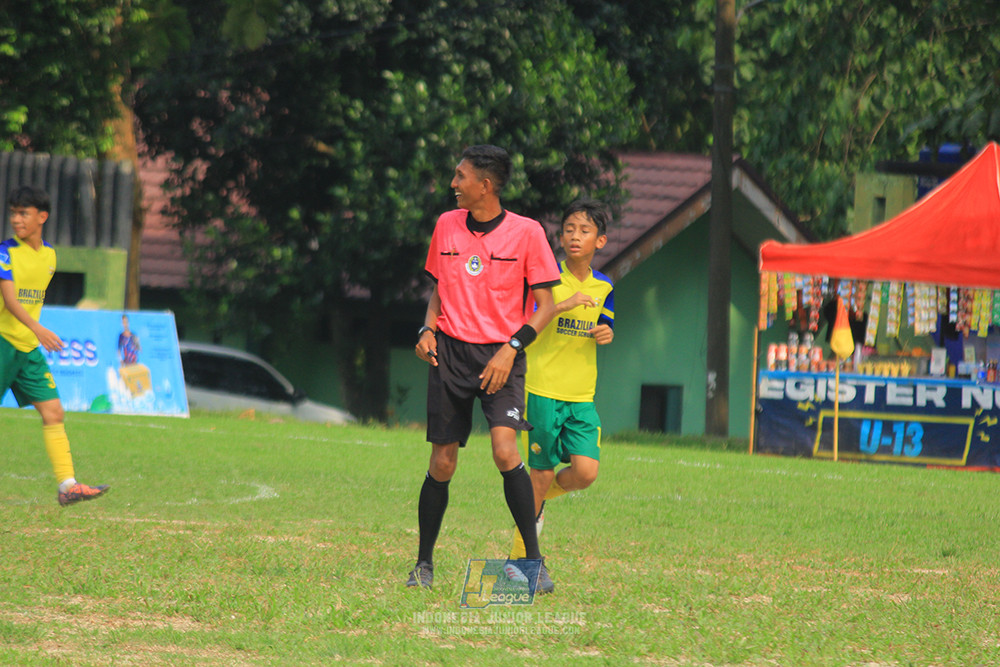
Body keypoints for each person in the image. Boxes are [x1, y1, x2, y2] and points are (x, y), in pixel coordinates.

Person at [408, 145, 560, 592]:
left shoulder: (527, 233)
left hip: (502, 356)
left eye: (460, 176)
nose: (453, 184)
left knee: (504, 451)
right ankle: (423, 565)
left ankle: (533, 563)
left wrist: (511, 348)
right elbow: (439, 290)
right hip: (451, 354)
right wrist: (426, 329)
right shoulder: (445, 225)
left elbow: (546, 306)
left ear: (485, 186)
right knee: (442, 463)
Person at [507, 199, 615, 580]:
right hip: (541, 389)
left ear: (599, 241)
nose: (574, 236)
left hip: (581, 394)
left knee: (585, 472)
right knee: (538, 473)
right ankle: (520, 561)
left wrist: (606, 332)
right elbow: (528, 318)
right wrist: (563, 303)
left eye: (584, 231)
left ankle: (534, 500)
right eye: (569, 228)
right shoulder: (545, 276)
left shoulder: (605, 286)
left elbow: (606, 323)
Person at [1, 186, 109, 506]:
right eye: (13, 213)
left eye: (24, 213)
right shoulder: (5, 252)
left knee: (53, 411)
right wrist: (37, 328)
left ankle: (68, 486)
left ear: (42, 217)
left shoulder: (50, 256)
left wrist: (34, 333)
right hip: (4, 342)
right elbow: (9, 299)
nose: (16, 219)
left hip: (27, 349)